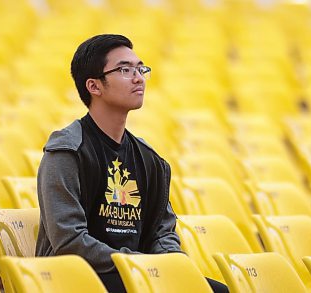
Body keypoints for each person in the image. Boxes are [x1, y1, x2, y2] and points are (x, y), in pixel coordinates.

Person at [36, 34, 228, 293]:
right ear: (94, 86)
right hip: (77, 277)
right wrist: (138, 264)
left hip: (136, 273)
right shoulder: (67, 151)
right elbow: (69, 241)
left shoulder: (149, 159)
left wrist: (170, 264)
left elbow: (162, 232)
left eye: (140, 69)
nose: (138, 78)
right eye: (125, 70)